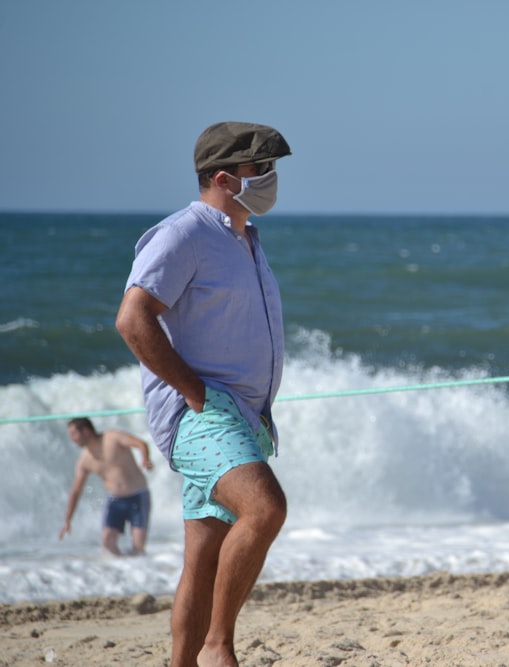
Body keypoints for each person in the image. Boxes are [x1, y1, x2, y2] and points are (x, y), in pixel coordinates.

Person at [115, 121, 292, 667]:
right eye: (258, 169)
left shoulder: (243, 238)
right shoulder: (183, 235)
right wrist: (194, 393)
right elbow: (133, 318)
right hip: (205, 415)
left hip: (243, 416)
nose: (270, 177)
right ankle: (219, 648)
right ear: (222, 178)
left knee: (204, 555)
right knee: (264, 510)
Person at [60, 417, 154, 556]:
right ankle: (124, 570)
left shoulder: (113, 437)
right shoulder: (84, 460)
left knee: (138, 548)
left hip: (137, 496)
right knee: (107, 543)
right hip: (115, 500)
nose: (72, 439)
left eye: (74, 434)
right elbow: (76, 491)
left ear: (86, 431)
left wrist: (145, 459)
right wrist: (68, 519)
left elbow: (141, 444)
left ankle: (138, 570)